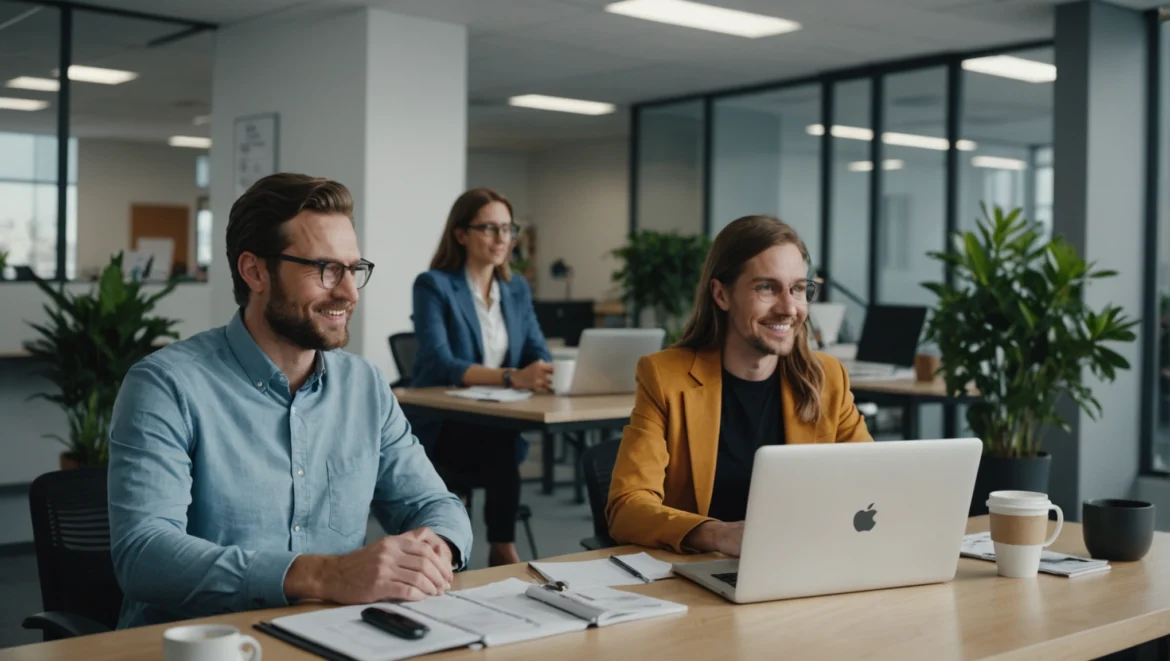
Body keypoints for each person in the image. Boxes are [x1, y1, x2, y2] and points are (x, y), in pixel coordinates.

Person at [108, 174, 472, 629]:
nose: (349, 292)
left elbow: (436, 504)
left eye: (353, 269)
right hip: (202, 644)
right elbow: (144, 554)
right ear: (255, 271)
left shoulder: (365, 386)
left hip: (338, 637)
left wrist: (433, 550)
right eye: (325, 270)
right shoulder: (166, 386)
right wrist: (323, 575)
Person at [606, 215, 871, 557]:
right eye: (766, 287)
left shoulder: (826, 378)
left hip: (807, 562)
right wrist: (716, 534)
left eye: (798, 288)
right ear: (721, 294)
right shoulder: (665, 377)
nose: (789, 308)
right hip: (705, 575)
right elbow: (627, 508)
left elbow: (869, 482)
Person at [411, 188, 553, 567]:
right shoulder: (434, 285)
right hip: (443, 422)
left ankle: (495, 543)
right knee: (500, 440)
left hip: (495, 417)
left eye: (508, 229)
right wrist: (512, 378)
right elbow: (443, 363)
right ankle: (498, 544)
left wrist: (542, 370)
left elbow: (537, 348)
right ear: (461, 234)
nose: (501, 238)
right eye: (489, 228)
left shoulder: (516, 287)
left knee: (500, 435)